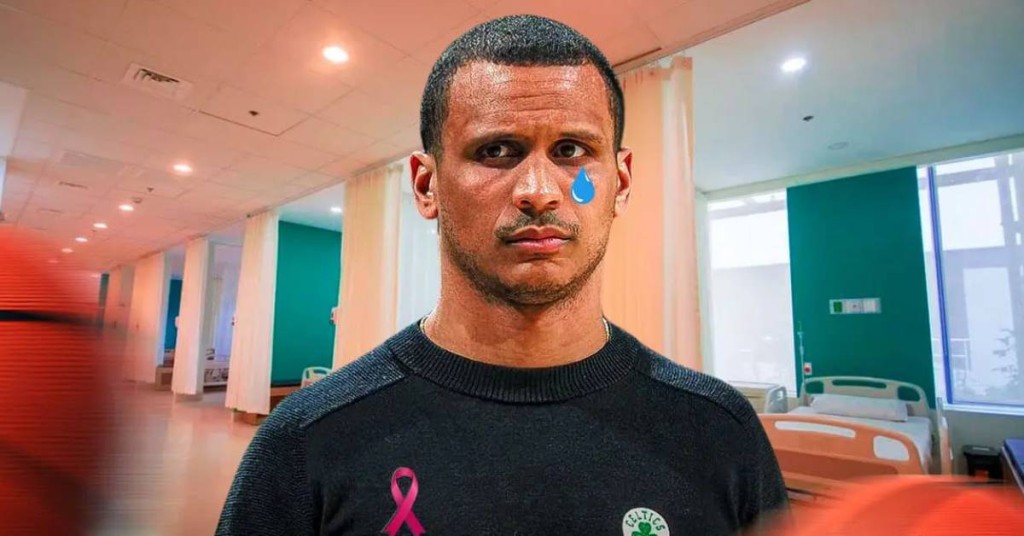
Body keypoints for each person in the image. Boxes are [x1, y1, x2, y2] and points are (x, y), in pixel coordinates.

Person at [217, 15, 786, 535]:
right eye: (496, 151)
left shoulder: (719, 433)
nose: (538, 192)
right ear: (426, 186)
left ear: (621, 182)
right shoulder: (309, 440)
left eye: (571, 150)